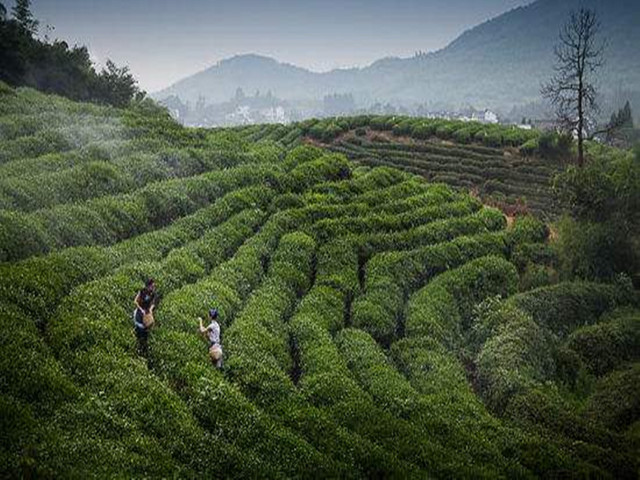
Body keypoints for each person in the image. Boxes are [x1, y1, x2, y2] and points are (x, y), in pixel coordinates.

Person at [133, 278, 156, 356]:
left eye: (154, 286)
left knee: (146, 333)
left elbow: (153, 304)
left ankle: (144, 350)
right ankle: (137, 349)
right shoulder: (142, 291)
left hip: (146, 313)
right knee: (139, 332)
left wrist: (150, 310)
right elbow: (135, 301)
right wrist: (141, 309)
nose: (153, 288)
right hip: (140, 313)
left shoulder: (153, 294)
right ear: (147, 286)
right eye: (152, 286)